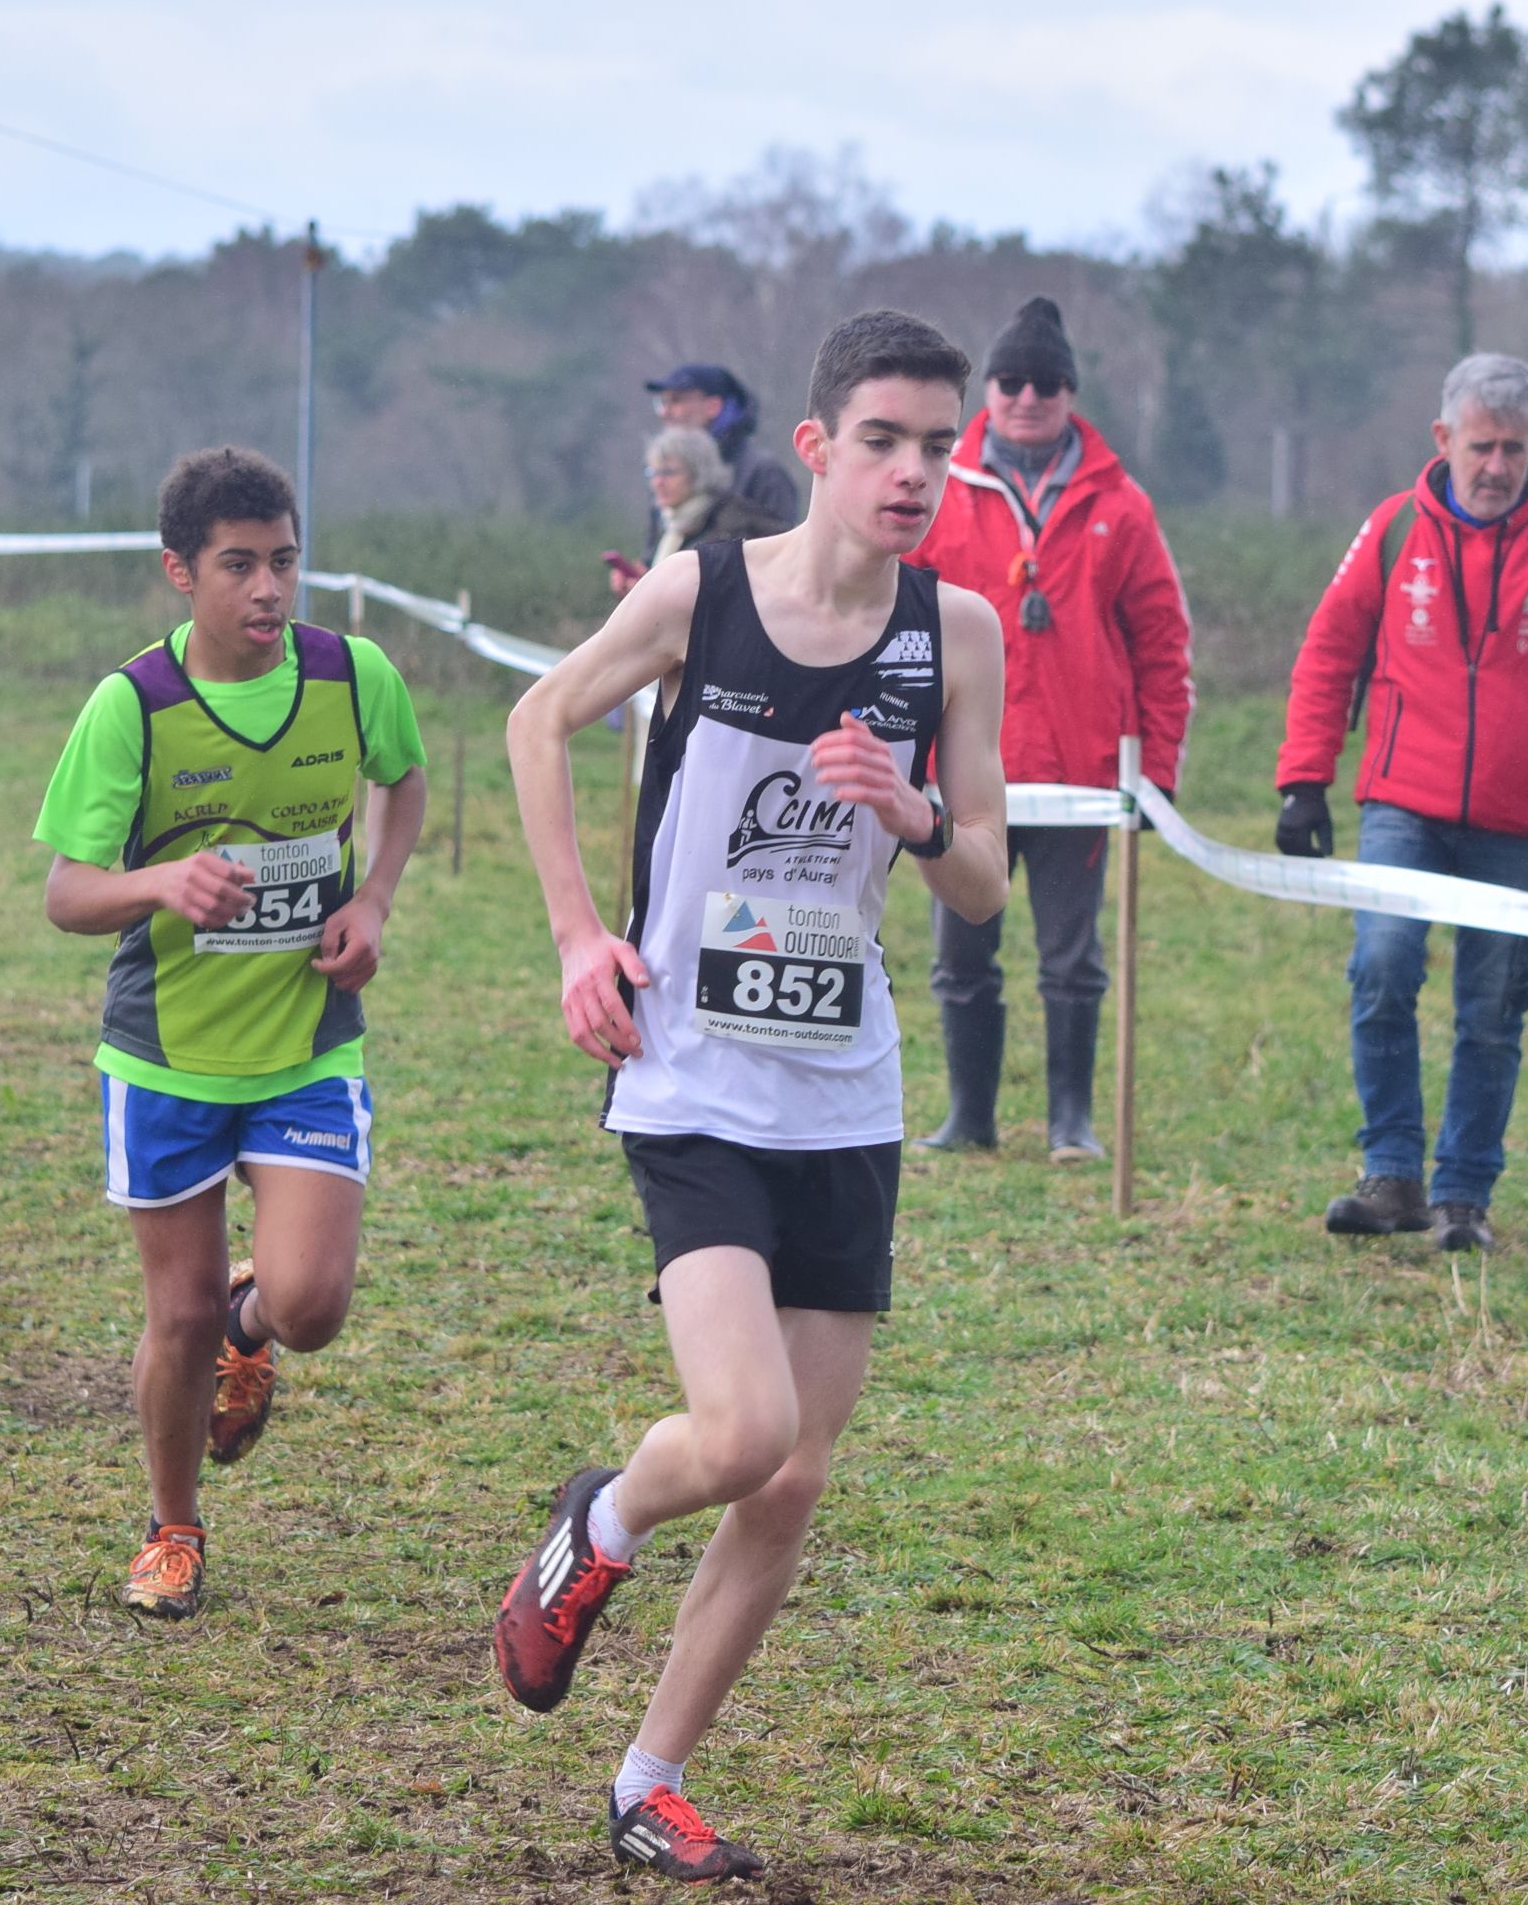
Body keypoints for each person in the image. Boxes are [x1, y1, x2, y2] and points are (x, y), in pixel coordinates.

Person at [494, 311, 1007, 1881]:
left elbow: (984, 882)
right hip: (691, 1077)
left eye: (939, 447)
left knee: (790, 1480)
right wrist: (579, 936)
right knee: (741, 1427)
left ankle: (649, 1782)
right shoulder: (702, 594)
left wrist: (915, 811)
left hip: (842, 1091)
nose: (914, 473)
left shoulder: (957, 632)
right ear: (817, 447)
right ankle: (600, 1523)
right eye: (885, 442)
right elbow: (537, 719)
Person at [33, 447, 429, 1621]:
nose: (269, 589)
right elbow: (66, 892)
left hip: (307, 1040)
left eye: (285, 561)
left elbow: (402, 781)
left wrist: (374, 899)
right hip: (167, 1054)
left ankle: (252, 1321)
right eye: (239, 565)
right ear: (180, 571)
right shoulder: (132, 706)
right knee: (179, 1313)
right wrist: (161, 881)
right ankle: (173, 1526)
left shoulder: (352, 674)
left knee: (310, 1306)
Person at [1274, 353, 1528, 1253]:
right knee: (1382, 968)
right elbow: (1330, 650)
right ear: (1444, 438)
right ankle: (1390, 1174)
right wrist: (1303, 780)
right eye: (1481, 446)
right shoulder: (1391, 530)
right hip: (1401, 807)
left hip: (1520, 823)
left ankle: (1462, 1196)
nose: (1496, 466)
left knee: (1493, 1007)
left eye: (1513, 450)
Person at [910, 295, 1194, 1161]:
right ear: (988, 392)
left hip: (1082, 774)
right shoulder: (936, 492)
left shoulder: (1122, 504)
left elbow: (1162, 644)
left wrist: (1158, 774)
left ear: (1070, 393)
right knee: (962, 954)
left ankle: (1073, 1121)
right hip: (966, 771)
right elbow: (898, 629)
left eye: (1046, 382)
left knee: (1073, 960)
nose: (1027, 397)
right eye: (1010, 381)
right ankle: (970, 1117)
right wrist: (903, 756)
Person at [602, 363, 802, 591]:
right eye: (661, 402)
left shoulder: (764, 472)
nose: (665, 412)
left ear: (713, 407)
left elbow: (783, 564)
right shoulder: (663, 477)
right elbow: (655, 552)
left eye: (676, 401)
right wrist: (642, 585)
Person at [608, 426, 786, 596]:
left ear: (698, 473)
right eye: (653, 473)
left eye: (668, 472)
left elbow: (715, 598)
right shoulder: (672, 524)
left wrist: (649, 595)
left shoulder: (731, 525)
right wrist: (640, 587)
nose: (658, 482)